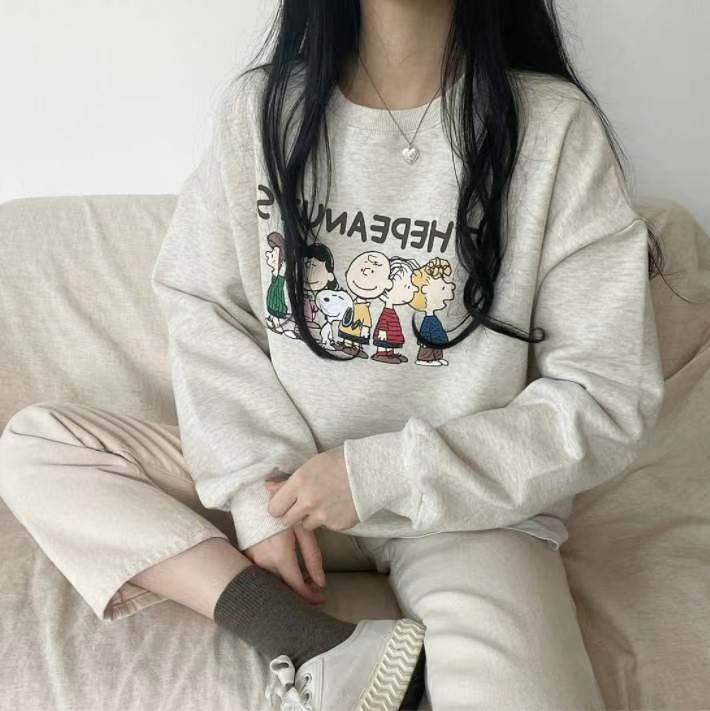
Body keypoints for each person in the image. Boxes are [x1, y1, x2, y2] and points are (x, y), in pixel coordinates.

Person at [0, 0, 668, 709]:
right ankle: (315, 643)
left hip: (467, 511)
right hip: (283, 493)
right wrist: (255, 496)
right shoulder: (262, 112)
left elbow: (605, 398)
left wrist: (377, 473)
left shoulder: (554, 129)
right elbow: (205, 311)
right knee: (38, 447)